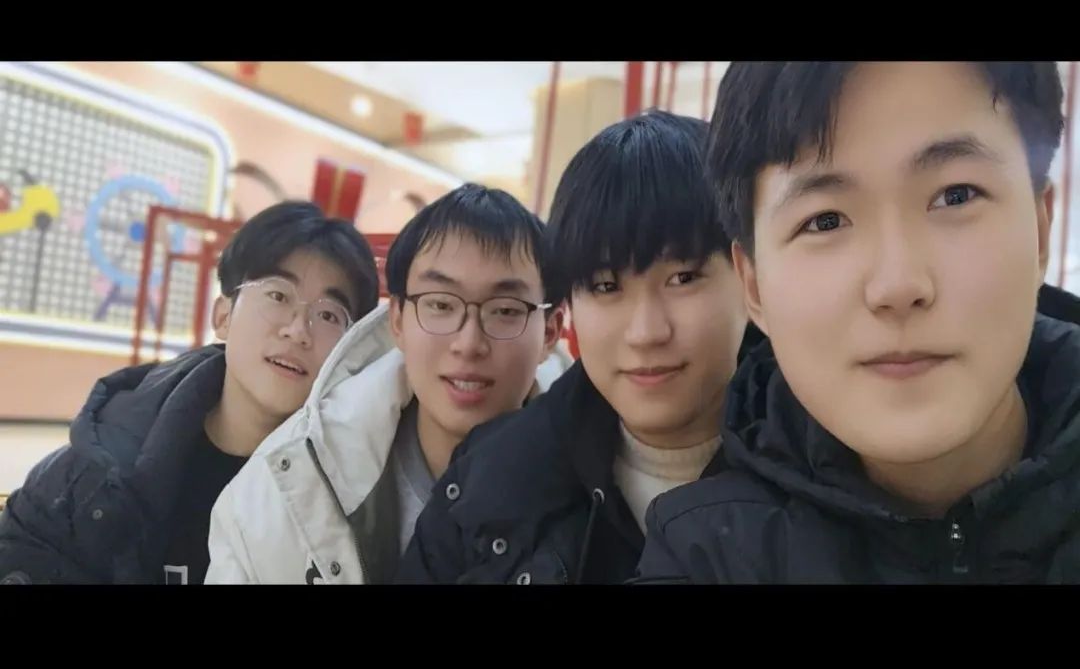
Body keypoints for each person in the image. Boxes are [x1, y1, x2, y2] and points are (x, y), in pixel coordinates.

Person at [635, 61, 1080, 583]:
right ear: (753, 286)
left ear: (1040, 231)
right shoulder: (704, 556)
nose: (897, 286)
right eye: (825, 221)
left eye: (956, 195)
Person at [396, 111, 757, 584]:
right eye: (606, 286)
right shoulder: (485, 482)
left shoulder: (832, 470)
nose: (645, 332)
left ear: (750, 277)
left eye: (683, 278)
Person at [205, 184, 571, 584]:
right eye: (441, 305)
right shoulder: (278, 493)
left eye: (505, 310)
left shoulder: (601, 481)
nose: (468, 343)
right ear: (397, 320)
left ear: (550, 332)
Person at [0, 201, 380, 584]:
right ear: (223, 317)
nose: (298, 330)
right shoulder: (106, 458)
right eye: (278, 295)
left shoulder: (361, 493)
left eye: (328, 315)